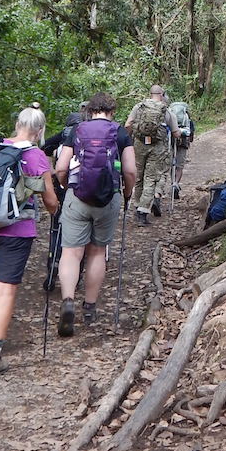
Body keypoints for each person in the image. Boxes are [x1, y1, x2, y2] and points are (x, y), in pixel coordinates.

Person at [0, 105, 59, 378]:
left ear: (17, 124)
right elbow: (50, 201)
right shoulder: (35, 157)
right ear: (40, 130)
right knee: (7, 290)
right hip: (15, 232)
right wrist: (55, 211)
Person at [54, 93, 135, 336]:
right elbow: (130, 171)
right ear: (112, 110)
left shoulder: (77, 130)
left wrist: (65, 185)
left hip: (77, 196)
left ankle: (68, 300)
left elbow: (60, 167)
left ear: (90, 110)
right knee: (98, 251)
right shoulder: (120, 133)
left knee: (71, 252)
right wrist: (128, 194)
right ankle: (89, 307)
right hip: (108, 198)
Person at [125, 84, 180, 226]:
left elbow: (128, 124)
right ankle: (142, 212)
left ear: (150, 94)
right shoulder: (165, 110)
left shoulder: (139, 107)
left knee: (138, 176)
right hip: (157, 147)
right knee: (151, 178)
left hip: (139, 145)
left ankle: (137, 204)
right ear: (162, 94)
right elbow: (175, 132)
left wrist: (128, 140)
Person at [167, 99, 195, 199]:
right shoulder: (188, 119)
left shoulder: (170, 117)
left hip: (171, 140)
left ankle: (172, 182)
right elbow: (191, 135)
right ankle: (176, 183)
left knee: (171, 164)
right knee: (180, 165)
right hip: (183, 142)